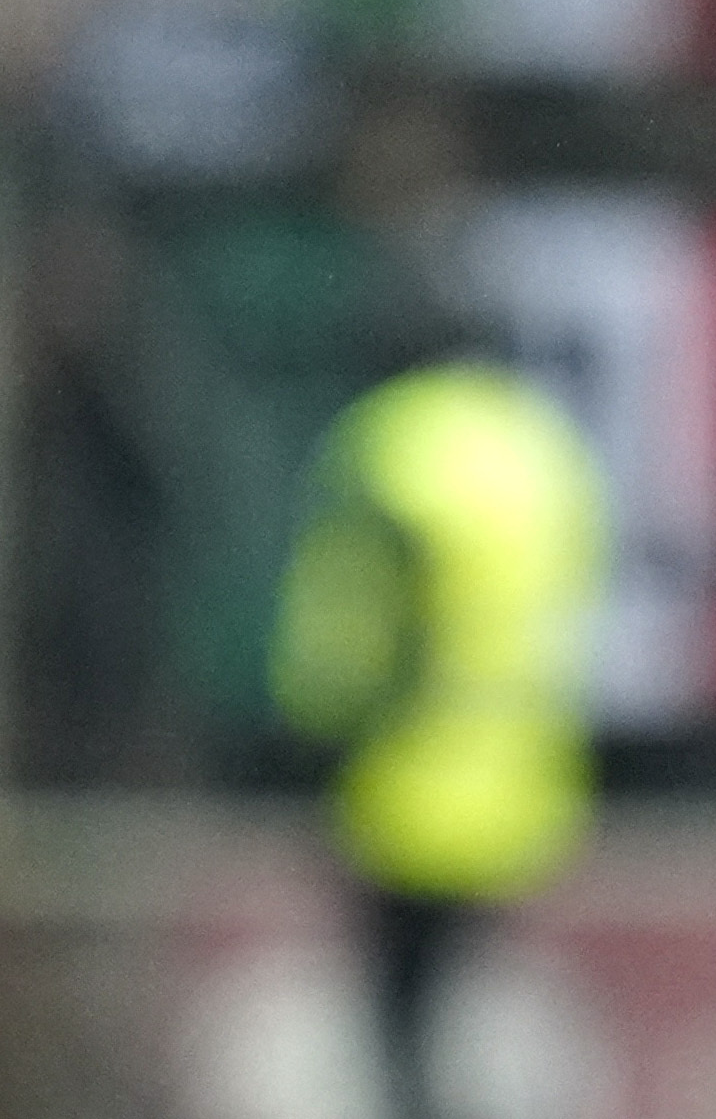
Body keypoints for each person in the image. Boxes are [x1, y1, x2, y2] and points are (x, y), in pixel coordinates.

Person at [271, 359, 606, 1119]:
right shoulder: (538, 445)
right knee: (475, 992)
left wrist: (313, 729)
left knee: (402, 1006)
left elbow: (351, 611)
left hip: (398, 775)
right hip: (522, 777)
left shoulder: (389, 445)